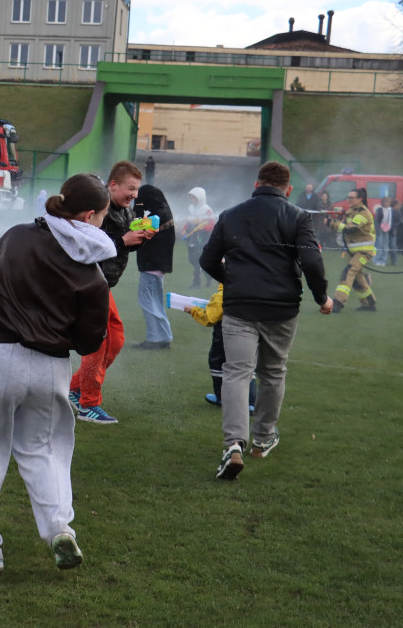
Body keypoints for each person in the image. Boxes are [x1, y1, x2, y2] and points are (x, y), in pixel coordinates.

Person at [0, 173, 114, 574]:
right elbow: (89, 342)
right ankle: (58, 528)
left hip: (1, 356)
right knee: (45, 451)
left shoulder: (16, 236)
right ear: (90, 215)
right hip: (52, 366)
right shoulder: (94, 273)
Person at [199, 161, 332, 481]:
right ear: (288, 190)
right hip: (282, 308)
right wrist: (322, 297)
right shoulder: (298, 215)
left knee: (236, 373)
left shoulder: (230, 214)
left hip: (239, 307)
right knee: (272, 372)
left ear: (257, 184)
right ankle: (262, 438)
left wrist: (229, 281)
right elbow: (312, 260)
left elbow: (207, 259)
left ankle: (233, 444)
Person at [68, 161, 155, 424]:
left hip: (104, 285)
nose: (134, 195)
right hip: (89, 283)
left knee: (115, 339)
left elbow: (120, 246)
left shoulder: (125, 210)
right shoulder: (96, 208)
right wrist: (123, 240)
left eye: (137, 190)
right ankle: (88, 404)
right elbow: (89, 242)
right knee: (98, 342)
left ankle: (74, 388)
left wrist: (138, 238)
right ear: (112, 185)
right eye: (131, 188)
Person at [182, 283, 256, 413]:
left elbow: (210, 318)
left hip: (224, 336)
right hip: (250, 335)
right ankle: (250, 402)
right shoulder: (252, 291)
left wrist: (193, 310)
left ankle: (221, 398)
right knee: (246, 366)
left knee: (217, 364)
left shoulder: (222, 295)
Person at [133, 184, 174, 349]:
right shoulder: (163, 210)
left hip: (152, 264)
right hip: (157, 264)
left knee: (148, 300)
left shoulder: (158, 215)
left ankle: (156, 337)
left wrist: (136, 212)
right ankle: (162, 335)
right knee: (154, 300)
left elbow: (134, 226)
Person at [326, 187, 376, 312]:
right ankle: (369, 303)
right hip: (354, 252)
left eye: (351, 197)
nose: (349, 200)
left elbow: (351, 229)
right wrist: (336, 219)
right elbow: (346, 226)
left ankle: (337, 302)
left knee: (348, 272)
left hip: (363, 252)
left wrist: (331, 223)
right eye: (348, 197)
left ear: (360, 199)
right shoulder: (352, 211)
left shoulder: (363, 213)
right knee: (358, 279)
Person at [182, 186, 215, 288]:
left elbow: (211, 225)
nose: (192, 200)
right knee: (191, 259)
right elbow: (188, 221)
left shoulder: (207, 210)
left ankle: (196, 283)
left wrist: (202, 226)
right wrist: (184, 229)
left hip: (202, 238)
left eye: (194, 197)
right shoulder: (190, 208)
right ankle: (208, 276)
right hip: (192, 237)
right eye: (191, 197)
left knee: (197, 259)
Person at [373, 196, 397, 266]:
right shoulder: (380, 210)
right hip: (380, 230)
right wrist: (377, 230)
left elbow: (394, 219)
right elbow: (376, 221)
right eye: (385, 202)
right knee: (378, 245)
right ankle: (376, 260)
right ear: (382, 203)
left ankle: (383, 260)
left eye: (388, 202)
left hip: (388, 230)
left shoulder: (392, 210)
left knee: (385, 246)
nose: (387, 203)